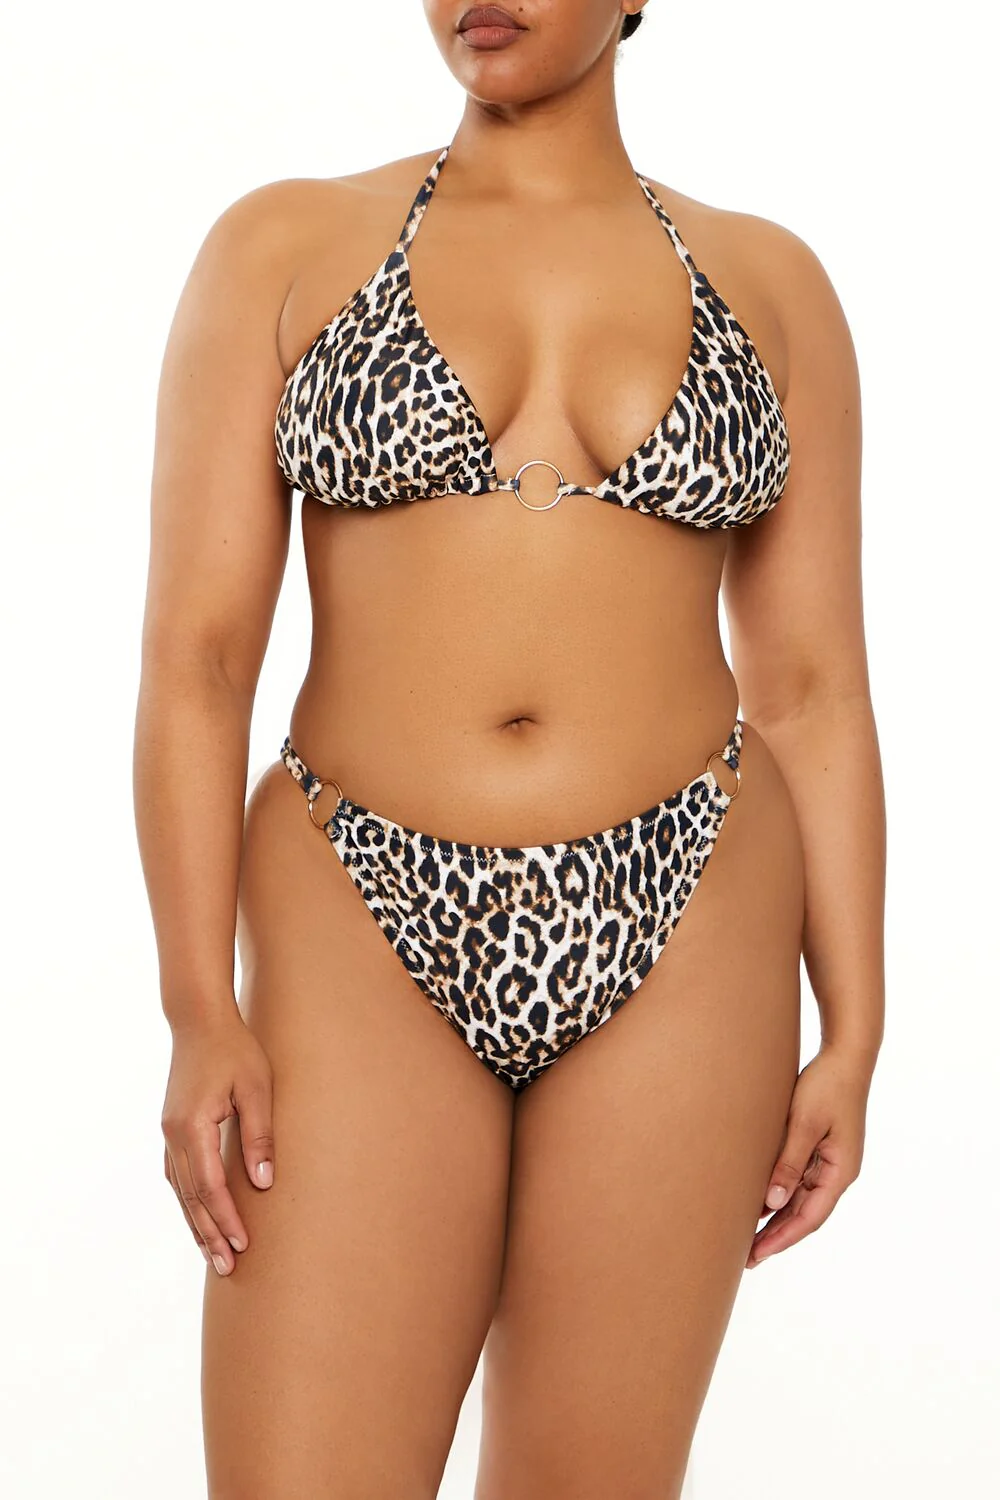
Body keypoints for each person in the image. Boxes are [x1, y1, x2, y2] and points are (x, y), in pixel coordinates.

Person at [133, 3, 885, 1495]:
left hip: (691, 904)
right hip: (355, 891)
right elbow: (198, 662)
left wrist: (855, 1028)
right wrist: (195, 1004)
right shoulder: (286, 246)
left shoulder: (771, 282)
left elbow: (810, 689)